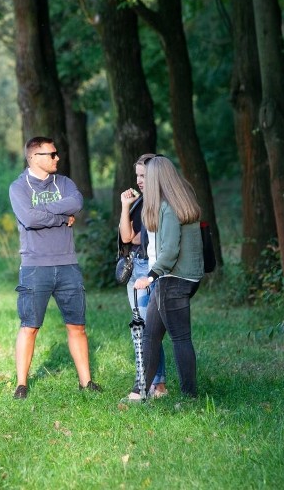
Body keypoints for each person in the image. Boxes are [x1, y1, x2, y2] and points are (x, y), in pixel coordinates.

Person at [8, 136, 100, 399]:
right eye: (52, 154)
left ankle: (86, 382)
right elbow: (28, 218)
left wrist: (43, 212)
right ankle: (22, 385)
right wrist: (61, 217)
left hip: (68, 265)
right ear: (35, 157)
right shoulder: (18, 187)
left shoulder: (65, 183)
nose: (57, 157)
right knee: (30, 326)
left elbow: (77, 203)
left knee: (77, 325)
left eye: (56, 153)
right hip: (35, 267)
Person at [123, 156, 204, 402]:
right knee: (151, 335)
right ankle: (140, 391)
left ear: (159, 177)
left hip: (173, 279)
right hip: (179, 278)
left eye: (148, 176)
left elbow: (169, 251)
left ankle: (190, 397)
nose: (142, 180)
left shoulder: (168, 207)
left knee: (180, 338)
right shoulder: (179, 201)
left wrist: (149, 277)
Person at [119, 153, 167, 397]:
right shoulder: (141, 202)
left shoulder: (159, 204)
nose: (139, 180)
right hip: (136, 264)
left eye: (144, 175)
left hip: (149, 267)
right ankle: (155, 382)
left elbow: (131, 237)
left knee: (148, 327)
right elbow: (125, 235)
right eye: (137, 175)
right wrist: (126, 207)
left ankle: (153, 384)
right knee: (143, 325)